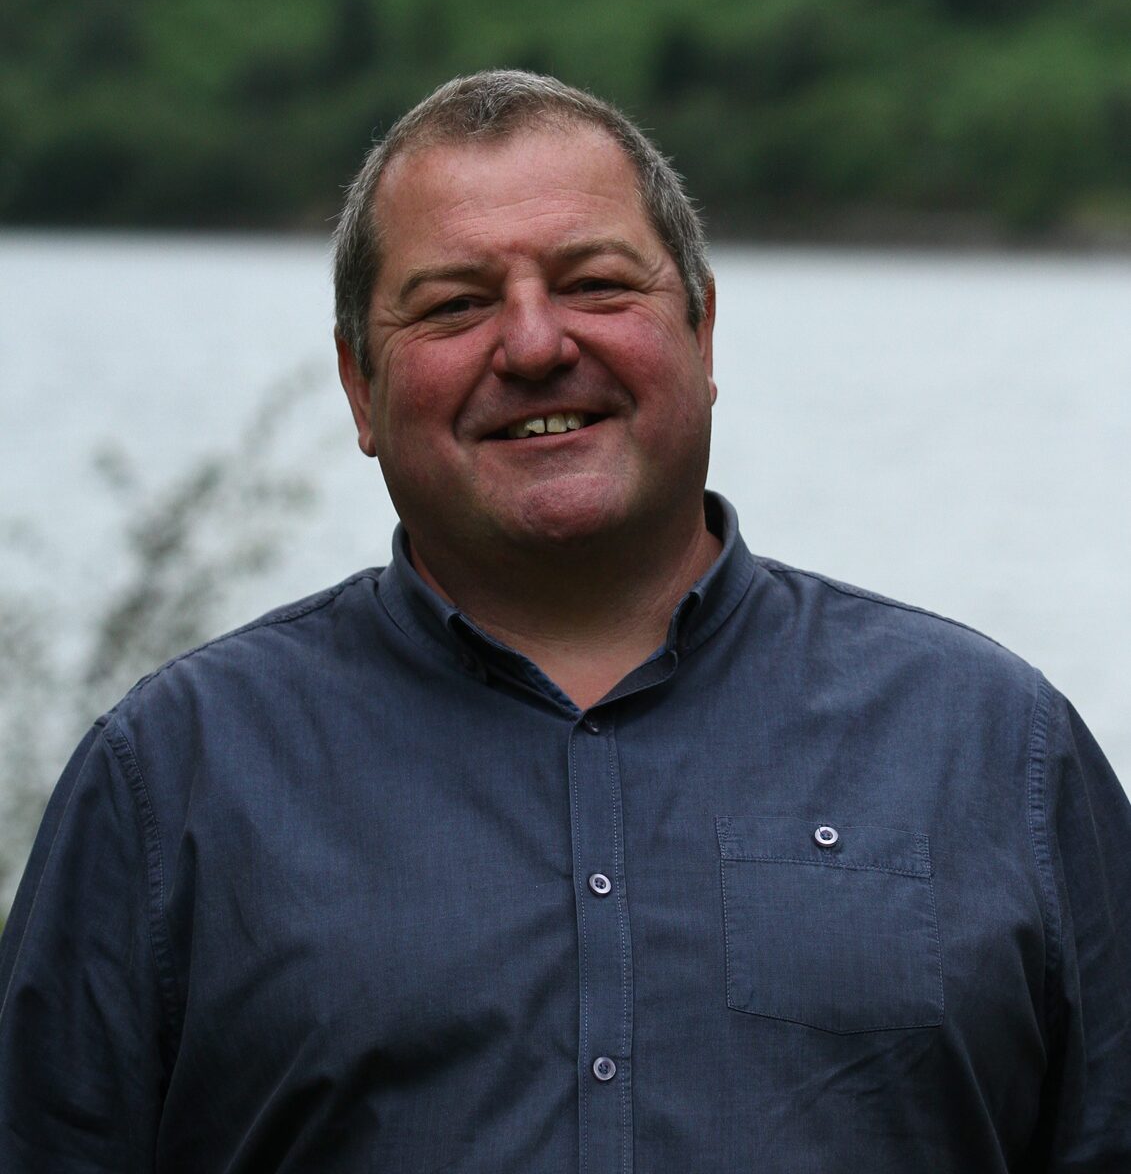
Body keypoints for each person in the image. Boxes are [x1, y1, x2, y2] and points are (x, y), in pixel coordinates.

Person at [1, 70, 1128, 1172]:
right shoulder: (172, 782)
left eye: (594, 284)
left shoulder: (996, 748)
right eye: (455, 304)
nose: (536, 345)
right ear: (358, 386)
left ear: (704, 330)